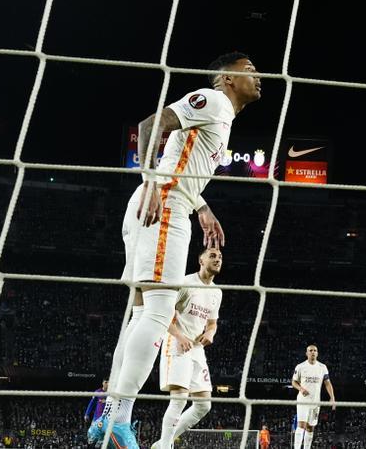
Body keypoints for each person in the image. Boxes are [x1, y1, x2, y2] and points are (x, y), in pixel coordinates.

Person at [89, 52, 261, 449]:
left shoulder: (222, 119)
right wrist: (152, 181)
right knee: (159, 310)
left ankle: (108, 417)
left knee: (139, 313)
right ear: (226, 79)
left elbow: (181, 160)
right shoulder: (214, 100)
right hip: (163, 208)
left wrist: (201, 205)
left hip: (162, 204)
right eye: (249, 70)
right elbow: (152, 124)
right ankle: (120, 418)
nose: (258, 76)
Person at [151, 248, 224, 449]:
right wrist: (180, 336)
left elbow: (212, 323)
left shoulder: (216, 292)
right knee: (179, 399)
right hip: (176, 342)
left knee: (204, 405)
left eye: (220, 257)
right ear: (201, 260)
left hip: (196, 348)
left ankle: (161, 444)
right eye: (212, 256)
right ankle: (165, 446)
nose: (217, 259)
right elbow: (162, 313)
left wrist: (210, 334)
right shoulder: (185, 283)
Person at [292, 344, 336, 449]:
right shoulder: (300, 366)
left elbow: (327, 383)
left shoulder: (322, 367)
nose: (313, 352)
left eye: (315, 350)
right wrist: (301, 389)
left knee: (310, 428)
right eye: (310, 350)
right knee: (301, 425)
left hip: (316, 402)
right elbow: (294, 382)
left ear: (317, 353)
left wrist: (332, 397)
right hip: (303, 400)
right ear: (306, 353)